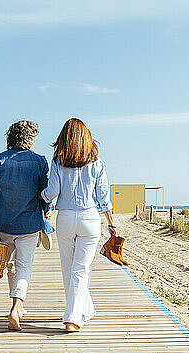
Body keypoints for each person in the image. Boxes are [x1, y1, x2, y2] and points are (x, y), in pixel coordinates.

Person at [41, 118, 116, 332]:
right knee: (81, 269)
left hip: (64, 217)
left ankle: (77, 314)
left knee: (69, 268)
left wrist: (42, 196)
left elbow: (52, 192)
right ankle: (78, 314)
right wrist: (111, 223)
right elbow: (103, 197)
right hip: (90, 218)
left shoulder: (58, 160)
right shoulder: (97, 162)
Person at [0, 120, 50, 331]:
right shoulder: (39, 161)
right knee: (24, 265)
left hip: (4, 223)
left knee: (10, 264)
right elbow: (44, 192)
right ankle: (17, 305)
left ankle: (17, 304)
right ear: (31, 139)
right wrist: (45, 213)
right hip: (29, 223)